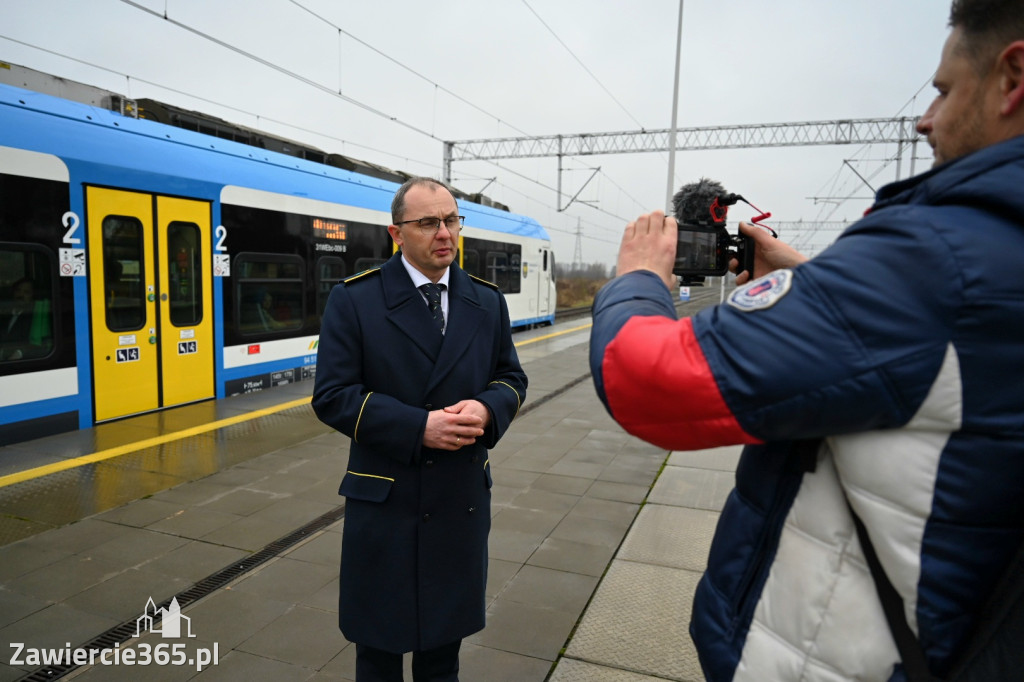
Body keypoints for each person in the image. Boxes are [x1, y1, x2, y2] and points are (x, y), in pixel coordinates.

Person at [589, 1, 1024, 679]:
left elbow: (644, 379)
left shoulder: (941, 255)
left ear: (1012, 75)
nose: (923, 117)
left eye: (942, 89)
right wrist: (814, 283)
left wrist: (639, 279)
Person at [312, 177, 527, 682]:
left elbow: (511, 377)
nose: (444, 233)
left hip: (458, 501)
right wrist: (418, 427)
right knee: (379, 654)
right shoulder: (355, 301)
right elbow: (332, 397)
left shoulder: (486, 302)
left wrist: (489, 409)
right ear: (396, 233)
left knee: (442, 656)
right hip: (386, 503)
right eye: (428, 222)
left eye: (451, 220)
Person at [0, 278, 35, 361]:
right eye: (18, 291)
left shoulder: (34, 316)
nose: (20, 295)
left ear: (33, 296)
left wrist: (19, 353)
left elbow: (37, 343)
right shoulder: (5, 314)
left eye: (26, 292)